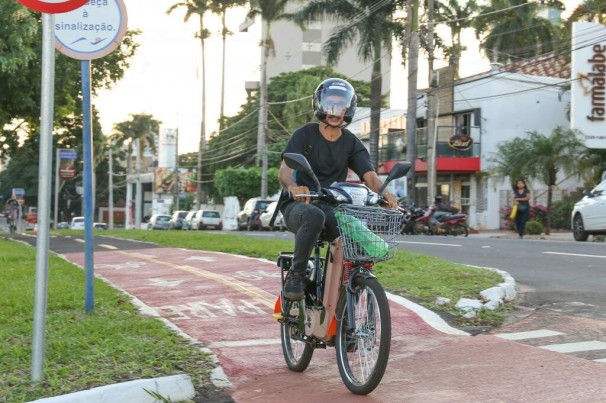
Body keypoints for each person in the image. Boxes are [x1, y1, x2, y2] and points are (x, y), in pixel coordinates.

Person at [278, 78, 397, 301]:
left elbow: (369, 175)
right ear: (320, 105)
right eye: (330, 103)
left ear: (348, 109)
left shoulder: (351, 142)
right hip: (300, 205)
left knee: (352, 233)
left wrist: (385, 193)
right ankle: (296, 275)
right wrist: (294, 187)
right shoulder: (305, 134)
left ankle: (346, 303)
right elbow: (285, 170)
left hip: (332, 205)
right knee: (314, 216)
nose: (335, 110)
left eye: (341, 105)